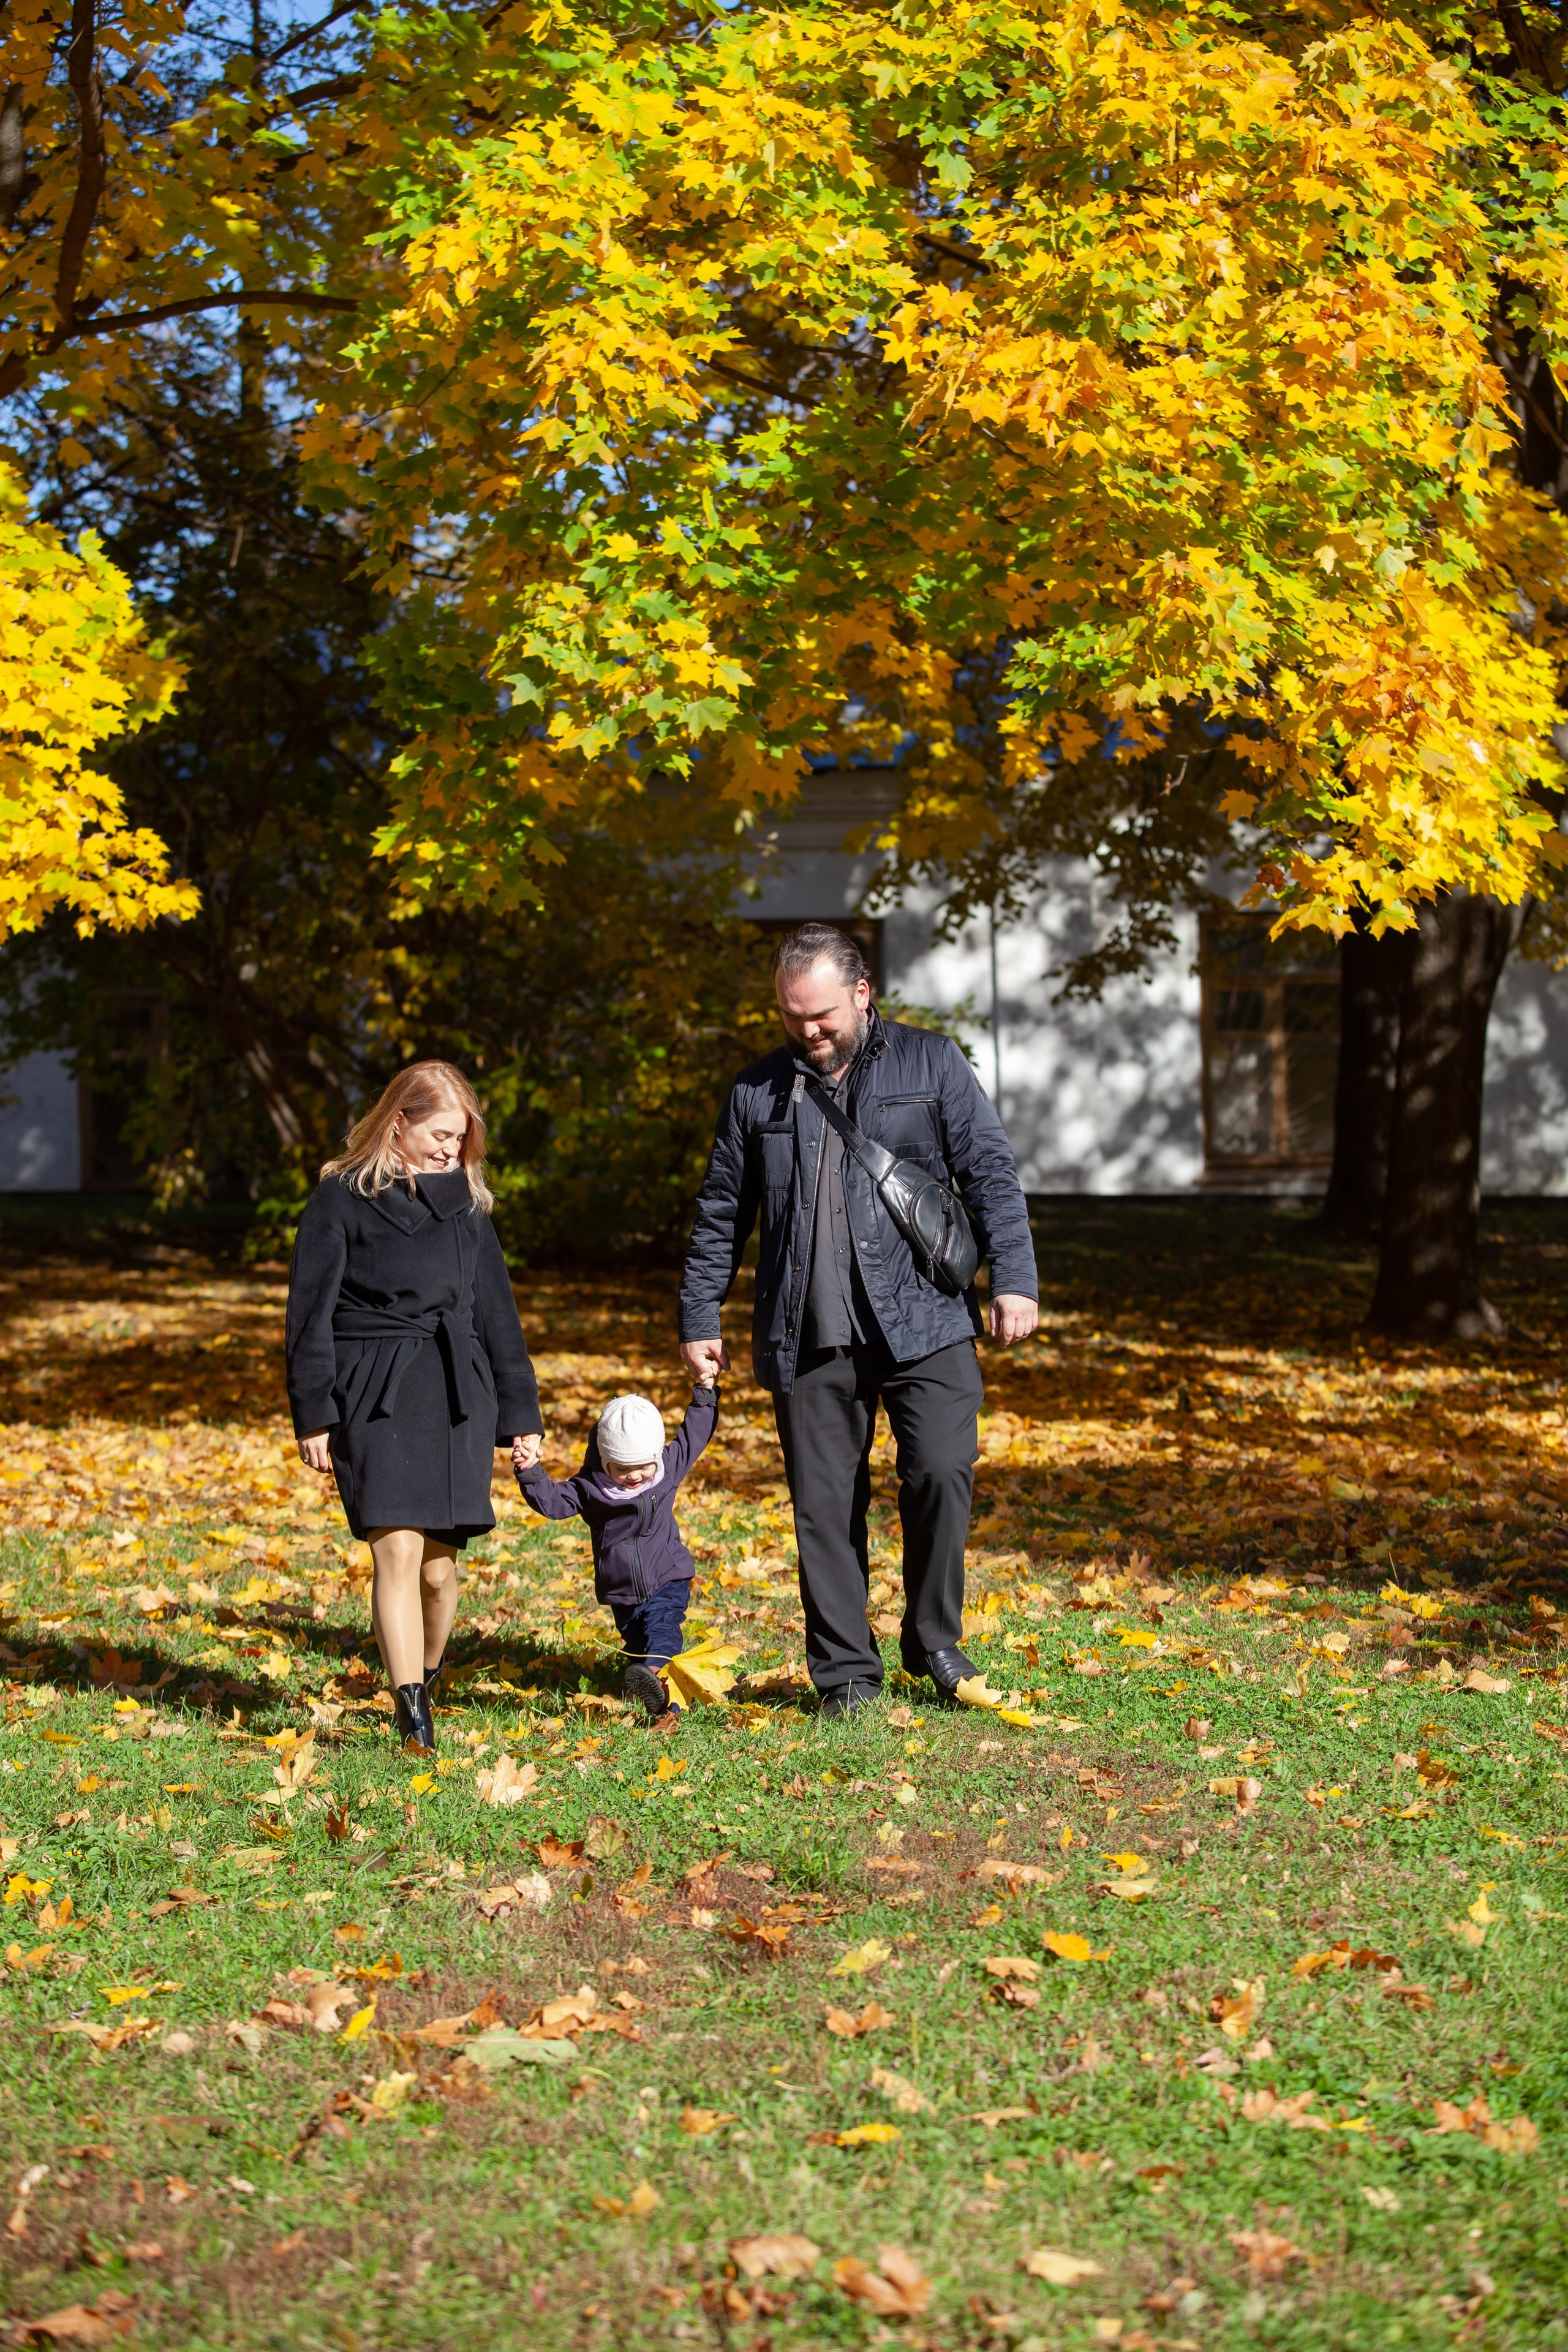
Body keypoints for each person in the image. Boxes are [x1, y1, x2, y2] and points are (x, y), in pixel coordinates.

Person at [679, 923, 1038, 1715]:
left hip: (927, 1318)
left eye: (822, 1016)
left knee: (941, 1472)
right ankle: (845, 1673)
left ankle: (934, 1638)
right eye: (791, 1016)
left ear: (863, 995)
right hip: (806, 1331)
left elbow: (990, 1171)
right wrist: (700, 1313)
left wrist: (1014, 1278)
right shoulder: (757, 1092)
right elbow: (719, 1214)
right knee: (824, 1505)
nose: (808, 1032)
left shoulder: (932, 1063)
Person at [285, 1060, 544, 1755]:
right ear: (397, 1122)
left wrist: (522, 1417)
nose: (449, 1150)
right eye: (438, 1134)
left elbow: (498, 1317)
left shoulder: (468, 1210)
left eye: (459, 1139)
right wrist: (314, 1411)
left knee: (437, 1571)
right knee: (395, 1549)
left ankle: (425, 1677)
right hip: (375, 1389)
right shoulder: (340, 1199)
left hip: (457, 1393)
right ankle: (412, 1716)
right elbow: (308, 1315)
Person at [516, 1382, 718, 1721]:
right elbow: (552, 1503)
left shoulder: (666, 1471)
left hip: (668, 1575)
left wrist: (706, 1393)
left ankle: (657, 1678)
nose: (635, 1477)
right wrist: (530, 1473)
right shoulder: (591, 1489)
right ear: (605, 1461)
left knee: (664, 1629)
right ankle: (645, 1674)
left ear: (655, 1457)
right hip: (622, 1591)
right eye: (622, 1469)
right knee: (638, 1641)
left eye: (643, 1466)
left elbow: (695, 1434)